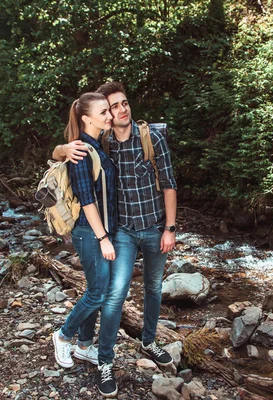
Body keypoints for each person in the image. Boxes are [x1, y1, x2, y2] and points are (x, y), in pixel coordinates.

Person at [53, 82, 178, 392]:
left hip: (154, 226)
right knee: (113, 294)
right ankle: (104, 359)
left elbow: (169, 184)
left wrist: (170, 229)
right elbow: (72, 158)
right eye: (110, 108)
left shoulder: (153, 137)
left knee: (153, 286)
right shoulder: (102, 142)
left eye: (122, 104)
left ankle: (148, 340)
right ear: (100, 115)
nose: (118, 111)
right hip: (119, 232)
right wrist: (63, 149)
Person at [51, 92, 120, 398]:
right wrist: (104, 238)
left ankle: (83, 346)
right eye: (103, 112)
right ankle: (64, 335)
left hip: (100, 231)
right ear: (86, 119)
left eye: (109, 110)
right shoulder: (80, 150)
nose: (110, 115)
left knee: (96, 289)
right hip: (89, 232)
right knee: (98, 292)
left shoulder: (96, 145)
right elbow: (86, 199)